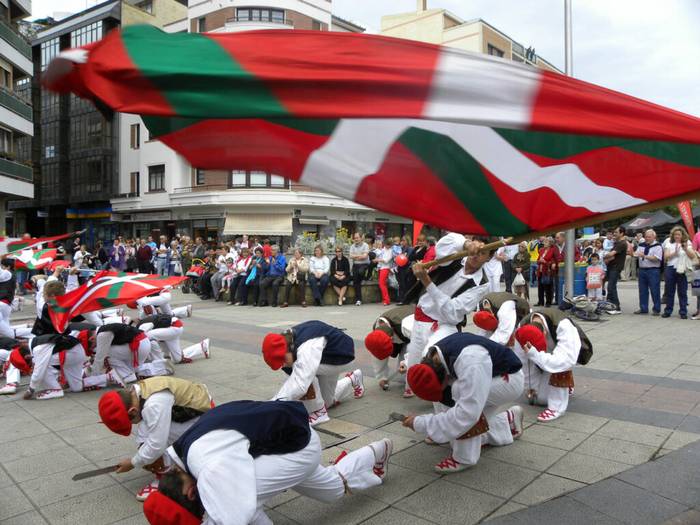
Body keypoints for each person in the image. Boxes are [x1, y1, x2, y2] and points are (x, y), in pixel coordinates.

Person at [141, 400, 392, 525]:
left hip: (299, 448)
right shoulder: (186, 454)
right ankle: (377, 451)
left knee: (241, 496)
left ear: (189, 491)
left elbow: (234, 517)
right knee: (333, 490)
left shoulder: (207, 466)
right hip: (283, 443)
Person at [404, 332, 524, 473]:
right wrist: (440, 430)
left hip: (509, 379)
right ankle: (508, 420)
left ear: (444, 377)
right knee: (450, 400)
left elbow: (467, 414)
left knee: (458, 392)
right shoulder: (432, 356)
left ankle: (464, 457)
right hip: (488, 374)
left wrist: (423, 424)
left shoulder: (471, 361)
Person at [98, 376, 214, 501]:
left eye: (130, 421)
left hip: (206, 421)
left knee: (156, 436)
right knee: (148, 429)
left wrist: (133, 462)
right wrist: (143, 453)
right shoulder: (137, 393)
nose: (133, 424)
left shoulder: (154, 403)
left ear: (132, 411)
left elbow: (156, 444)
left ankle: (165, 477)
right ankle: (168, 462)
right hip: (189, 414)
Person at [262, 320, 365, 425]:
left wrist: (274, 404)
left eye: (283, 361)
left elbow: (299, 383)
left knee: (303, 370)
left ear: (288, 349)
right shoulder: (288, 341)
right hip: (328, 354)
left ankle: (319, 412)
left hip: (342, 356)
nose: (283, 365)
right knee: (326, 402)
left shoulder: (306, 348)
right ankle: (353, 379)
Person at [514, 308, 590, 422]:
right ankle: (565, 385)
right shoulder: (521, 330)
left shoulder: (563, 325)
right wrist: (530, 386)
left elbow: (564, 360)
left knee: (561, 366)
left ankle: (556, 408)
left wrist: (536, 355)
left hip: (570, 352)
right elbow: (523, 362)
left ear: (545, 333)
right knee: (541, 399)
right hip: (544, 356)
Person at [21, 329, 125, 400]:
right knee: (77, 387)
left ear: (27, 357)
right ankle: (109, 377)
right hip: (74, 352)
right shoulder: (37, 342)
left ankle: (55, 389)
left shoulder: (38, 348)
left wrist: (31, 389)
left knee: (42, 367)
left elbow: (38, 371)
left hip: (72, 353)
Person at [90, 323, 172, 383]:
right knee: (135, 370)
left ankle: (127, 376)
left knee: (104, 353)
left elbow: (100, 357)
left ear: (91, 339)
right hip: (142, 344)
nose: (93, 347)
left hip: (138, 346)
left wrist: (93, 376)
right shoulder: (102, 329)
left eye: (91, 346)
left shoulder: (102, 335)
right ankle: (162, 367)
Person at [364, 304, 414, 391]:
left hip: (413, 335)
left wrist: (407, 362)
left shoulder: (408, 326)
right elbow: (377, 354)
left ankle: (411, 384)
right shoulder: (377, 327)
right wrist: (381, 377)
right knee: (378, 347)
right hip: (399, 332)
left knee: (406, 366)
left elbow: (419, 346)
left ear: (391, 339)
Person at [138, 314, 210, 364]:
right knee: (177, 359)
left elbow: (145, 339)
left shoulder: (141, 326)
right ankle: (202, 346)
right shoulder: (140, 325)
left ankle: (159, 361)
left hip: (174, 327)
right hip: (172, 328)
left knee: (148, 336)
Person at [662, 226, 697, 319]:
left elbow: (693, 256)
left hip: (682, 269)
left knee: (682, 292)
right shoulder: (669, 243)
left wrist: (685, 249)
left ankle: (683, 312)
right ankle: (668, 311)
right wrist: (674, 253)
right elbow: (665, 257)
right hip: (670, 268)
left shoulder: (687, 243)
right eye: (675, 234)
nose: (677, 236)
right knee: (670, 291)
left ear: (682, 235)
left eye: (679, 234)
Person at [634, 229, 663, 315]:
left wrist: (645, 256)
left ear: (654, 237)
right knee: (642, 290)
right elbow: (636, 254)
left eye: (649, 237)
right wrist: (631, 253)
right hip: (642, 270)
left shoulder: (658, 246)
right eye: (646, 237)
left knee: (655, 290)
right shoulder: (641, 245)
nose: (647, 238)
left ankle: (656, 309)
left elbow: (657, 258)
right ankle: (643, 308)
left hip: (653, 270)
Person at [602, 226, 628, 313]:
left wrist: (603, 256)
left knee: (611, 286)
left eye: (616, 232)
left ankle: (617, 307)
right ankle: (612, 305)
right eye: (614, 232)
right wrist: (607, 259)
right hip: (611, 266)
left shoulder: (622, 243)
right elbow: (612, 256)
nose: (614, 234)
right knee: (611, 286)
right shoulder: (616, 243)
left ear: (622, 233)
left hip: (616, 267)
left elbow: (612, 254)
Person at [349, 233, 370, 306]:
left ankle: (365, 277)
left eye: (357, 238)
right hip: (356, 265)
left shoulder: (365, 245)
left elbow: (364, 257)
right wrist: (360, 255)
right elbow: (351, 256)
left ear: (361, 238)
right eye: (355, 238)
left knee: (360, 272)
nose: (356, 239)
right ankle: (358, 299)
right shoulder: (352, 246)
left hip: (364, 264)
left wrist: (356, 256)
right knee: (356, 282)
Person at [536, 237, 557, 307]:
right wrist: (540, 261)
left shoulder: (553, 250)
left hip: (547, 271)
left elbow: (554, 261)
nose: (544, 243)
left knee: (548, 288)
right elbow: (537, 260)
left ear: (550, 243)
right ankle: (540, 301)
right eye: (544, 242)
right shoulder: (541, 250)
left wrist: (545, 262)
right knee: (540, 287)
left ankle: (548, 302)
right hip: (540, 271)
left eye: (546, 242)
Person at [376, 238, 394, 306]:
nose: (387, 246)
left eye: (388, 245)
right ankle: (385, 299)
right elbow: (379, 254)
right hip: (381, 267)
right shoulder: (383, 249)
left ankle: (387, 300)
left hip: (386, 268)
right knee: (382, 284)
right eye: (386, 244)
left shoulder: (390, 251)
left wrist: (377, 260)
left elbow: (386, 260)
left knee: (382, 284)